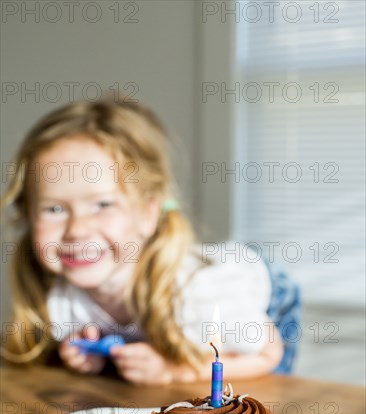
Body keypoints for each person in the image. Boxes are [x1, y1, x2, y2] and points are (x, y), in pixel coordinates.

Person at [1, 96, 293, 385]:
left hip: (263, 290)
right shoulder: (65, 295)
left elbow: (268, 355)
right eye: (54, 209)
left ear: (148, 213)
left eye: (102, 205)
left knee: (251, 404)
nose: (76, 230)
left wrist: (172, 371)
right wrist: (90, 353)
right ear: (27, 215)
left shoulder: (200, 291)